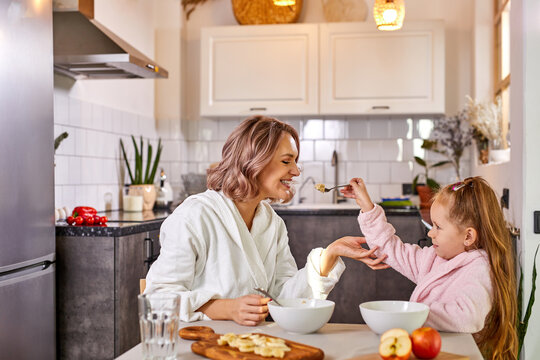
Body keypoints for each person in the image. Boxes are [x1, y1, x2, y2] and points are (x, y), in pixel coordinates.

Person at [145, 115, 389, 326]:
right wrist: (226, 308)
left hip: (253, 345)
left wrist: (330, 255)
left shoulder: (271, 222)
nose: (296, 171)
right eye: (286, 161)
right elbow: (156, 300)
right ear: (254, 161)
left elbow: (285, 298)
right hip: (200, 347)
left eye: (295, 161)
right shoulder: (195, 216)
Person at [341, 176, 517, 360]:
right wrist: (367, 207)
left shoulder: (480, 269)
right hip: (428, 351)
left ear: (468, 236)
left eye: (438, 227)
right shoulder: (433, 259)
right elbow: (391, 249)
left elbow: (467, 316)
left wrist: (411, 314)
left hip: (456, 354)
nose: (431, 232)